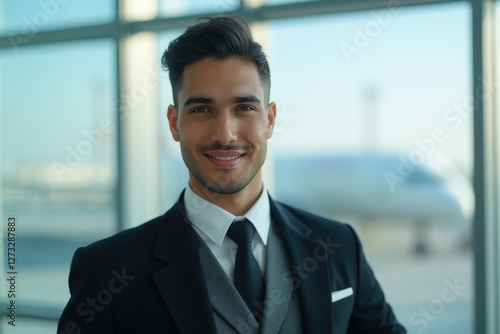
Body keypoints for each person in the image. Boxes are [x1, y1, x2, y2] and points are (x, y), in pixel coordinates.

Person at [57, 15, 406, 334]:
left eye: (244, 107)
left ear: (269, 119)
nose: (225, 134)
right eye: (202, 109)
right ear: (174, 123)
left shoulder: (339, 246)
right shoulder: (108, 271)